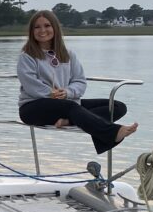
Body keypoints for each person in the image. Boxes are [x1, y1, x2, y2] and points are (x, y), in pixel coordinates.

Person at [18, 9, 138, 154]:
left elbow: (80, 81)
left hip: (65, 103)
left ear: (55, 28)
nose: (42, 30)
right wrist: (51, 93)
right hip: (32, 107)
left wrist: (67, 92)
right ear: (32, 31)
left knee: (117, 106)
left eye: (47, 25)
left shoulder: (68, 54)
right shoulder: (27, 56)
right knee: (71, 107)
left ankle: (69, 121)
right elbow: (30, 84)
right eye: (37, 27)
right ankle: (112, 133)